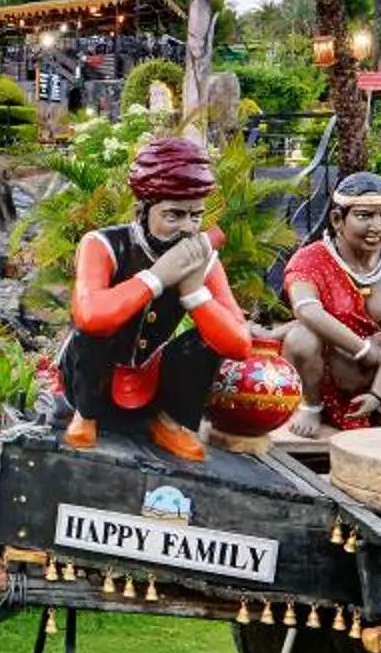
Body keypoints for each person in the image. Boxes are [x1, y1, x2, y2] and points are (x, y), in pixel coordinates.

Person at [56, 133, 255, 463]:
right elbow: (89, 314)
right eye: (173, 216)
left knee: (207, 342)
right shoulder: (103, 244)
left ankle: (170, 422)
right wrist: (156, 277)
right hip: (94, 374)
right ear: (143, 211)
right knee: (93, 333)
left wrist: (194, 292)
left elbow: (239, 343)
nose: (188, 229)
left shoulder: (202, 260)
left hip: (151, 375)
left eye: (195, 216)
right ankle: (85, 415)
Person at [281, 172, 381, 434]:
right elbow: (306, 310)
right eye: (365, 215)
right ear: (337, 219)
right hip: (328, 367)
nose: (377, 226)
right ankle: (311, 408)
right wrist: (364, 350)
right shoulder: (309, 260)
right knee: (300, 337)